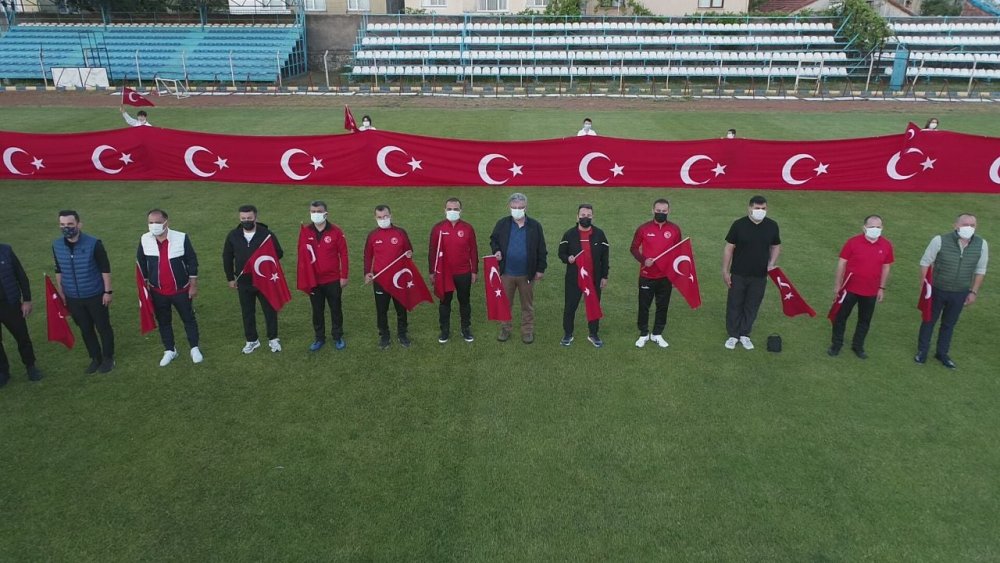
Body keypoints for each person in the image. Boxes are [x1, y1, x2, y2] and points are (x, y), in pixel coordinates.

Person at [915, 213, 988, 369]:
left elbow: (981, 270)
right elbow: (925, 262)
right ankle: (922, 351)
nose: (968, 228)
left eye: (972, 225)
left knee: (949, 324)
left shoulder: (982, 245)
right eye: (965, 224)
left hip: (960, 292)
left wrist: (973, 292)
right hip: (937, 289)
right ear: (955, 225)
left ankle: (942, 353)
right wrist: (924, 286)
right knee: (929, 320)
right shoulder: (939, 240)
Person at [137, 209, 202, 367]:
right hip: (157, 292)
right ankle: (169, 350)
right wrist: (145, 286)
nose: (154, 226)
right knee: (164, 321)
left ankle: (194, 348)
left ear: (167, 222)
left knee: (188, 319)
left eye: (157, 222)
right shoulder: (144, 239)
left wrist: (193, 286)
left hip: (181, 290)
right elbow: (141, 262)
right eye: (151, 222)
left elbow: (192, 261)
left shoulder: (181, 237)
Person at [52, 210, 115, 373]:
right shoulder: (57, 246)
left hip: (95, 295)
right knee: (85, 329)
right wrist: (62, 292)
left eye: (70, 224)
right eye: (63, 225)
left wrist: (107, 292)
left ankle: (108, 358)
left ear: (79, 224)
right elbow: (59, 270)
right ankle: (95, 358)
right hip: (73, 298)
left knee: (103, 327)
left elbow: (105, 269)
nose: (66, 228)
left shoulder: (94, 244)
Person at [828, 215, 894, 359]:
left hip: (871, 291)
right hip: (849, 288)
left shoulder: (886, 245)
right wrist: (837, 285)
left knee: (864, 320)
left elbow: (886, 267)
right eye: (871, 227)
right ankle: (836, 345)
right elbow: (842, 263)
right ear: (864, 228)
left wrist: (881, 288)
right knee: (840, 317)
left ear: (882, 228)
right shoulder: (852, 242)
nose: (875, 229)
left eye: (878, 227)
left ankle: (858, 346)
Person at [722, 195, 781, 351]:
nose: (760, 211)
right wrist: (725, 270)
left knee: (752, 305)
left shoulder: (772, 226)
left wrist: (771, 263)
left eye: (763, 208)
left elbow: (775, 246)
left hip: (760, 275)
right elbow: (729, 248)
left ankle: (745, 334)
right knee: (735, 304)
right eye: (757, 208)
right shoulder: (738, 225)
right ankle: (733, 335)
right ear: (749, 208)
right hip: (738, 273)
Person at [222, 204, 284, 354]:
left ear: (256, 217)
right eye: (243, 218)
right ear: (239, 218)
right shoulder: (233, 235)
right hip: (244, 281)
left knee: (270, 310)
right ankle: (252, 340)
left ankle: (273, 338)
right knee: (247, 311)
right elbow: (227, 257)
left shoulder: (266, 234)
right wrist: (230, 278)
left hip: (264, 280)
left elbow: (279, 253)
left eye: (249, 218)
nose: (246, 220)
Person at [489, 193, 547, 344]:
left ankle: (527, 331)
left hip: (527, 274)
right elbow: (493, 240)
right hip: (506, 273)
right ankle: (505, 328)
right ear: (509, 207)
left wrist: (540, 269)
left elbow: (542, 249)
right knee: (505, 303)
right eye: (514, 207)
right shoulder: (502, 224)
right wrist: (496, 251)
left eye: (520, 207)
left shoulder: (535, 226)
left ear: (526, 207)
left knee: (527, 305)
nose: (517, 210)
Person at [630, 198, 681, 349]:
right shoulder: (643, 229)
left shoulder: (675, 229)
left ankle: (657, 333)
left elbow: (678, 252)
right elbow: (633, 248)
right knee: (644, 306)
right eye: (658, 211)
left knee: (662, 306)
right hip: (647, 275)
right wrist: (643, 260)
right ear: (653, 211)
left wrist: (676, 275)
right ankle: (644, 333)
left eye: (664, 211)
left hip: (665, 277)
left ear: (668, 211)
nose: (661, 213)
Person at [428, 198, 478, 344]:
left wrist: (474, 270)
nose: (452, 212)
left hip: (464, 272)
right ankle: (444, 330)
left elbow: (473, 250)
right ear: (444, 210)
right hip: (444, 274)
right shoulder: (438, 228)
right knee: (444, 303)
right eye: (449, 209)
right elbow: (432, 252)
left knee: (465, 302)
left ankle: (465, 329)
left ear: (461, 211)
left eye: (455, 209)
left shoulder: (468, 228)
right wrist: (432, 272)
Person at [558, 204, 609, 348]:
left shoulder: (599, 234)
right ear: (577, 216)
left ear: (593, 216)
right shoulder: (569, 234)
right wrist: (568, 258)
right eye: (583, 215)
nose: (585, 217)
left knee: (594, 306)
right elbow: (561, 252)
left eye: (588, 215)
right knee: (570, 307)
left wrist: (604, 276)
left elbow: (605, 257)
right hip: (574, 279)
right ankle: (568, 334)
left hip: (593, 279)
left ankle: (593, 334)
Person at [363, 205, 413, 350]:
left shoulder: (400, 232)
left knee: (401, 309)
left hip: (399, 279)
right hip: (380, 279)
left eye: (385, 216)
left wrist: (409, 254)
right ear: (375, 218)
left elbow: (409, 250)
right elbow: (367, 255)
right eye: (379, 217)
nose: (383, 219)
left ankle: (402, 334)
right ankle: (384, 336)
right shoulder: (372, 235)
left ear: (391, 215)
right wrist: (367, 272)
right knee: (381, 310)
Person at [305, 201, 349, 352]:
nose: (315, 214)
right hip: (314, 280)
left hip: (332, 279)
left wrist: (344, 276)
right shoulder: (305, 231)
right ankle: (319, 338)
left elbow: (343, 254)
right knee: (317, 310)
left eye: (318, 211)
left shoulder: (336, 231)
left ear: (326, 213)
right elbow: (302, 257)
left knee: (335, 309)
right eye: (312, 211)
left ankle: (337, 336)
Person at [0, 243, 43, 387]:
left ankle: (31, 366)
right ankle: (3, 372)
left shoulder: (5, 250)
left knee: (22, 336)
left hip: (10, 304)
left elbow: (21, 275)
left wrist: (27, 300)